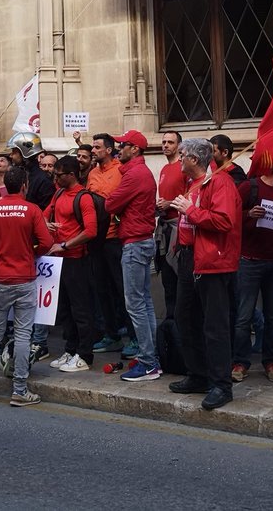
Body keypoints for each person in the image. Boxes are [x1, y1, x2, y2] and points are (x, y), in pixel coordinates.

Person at [168, 138, 241, 410]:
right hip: (190, 258)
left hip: (213, 262)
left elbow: (224, 221)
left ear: (194, 160)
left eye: (182, 155)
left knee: (215, 325)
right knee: (185, 317)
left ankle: (221, 384)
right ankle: (198, 373)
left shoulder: (220, 183)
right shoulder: (194, 183)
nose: (179, 159)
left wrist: (191, 211)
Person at [0, 166, 53, 407]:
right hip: (24, 279)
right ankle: (19, 390)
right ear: (24, 186)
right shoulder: (32, 210)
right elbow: (47, 242)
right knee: (22, 335)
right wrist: (30, 252)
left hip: (0, 279)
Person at [107, 129, 161, 380]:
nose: (119, 148)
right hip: (141, 241)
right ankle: (150, 357)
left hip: (135, 244)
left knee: (136, 305)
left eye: (123, 145)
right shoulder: (139, 172)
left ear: (135, 149)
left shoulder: (134, 174)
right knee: (145, 303)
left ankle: (149, 362)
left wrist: (117, 208)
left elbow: (110, 204)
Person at [232, 166, 273, 384]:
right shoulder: (249, 186)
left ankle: (270, 361)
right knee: (244, 315)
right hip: (250, 261)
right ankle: (240, 362)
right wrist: (248, 214)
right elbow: (230, 214)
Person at [44, 156, 98, 373]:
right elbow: (43, 214)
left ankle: (85, 355)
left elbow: (90, 231)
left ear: (71, 175)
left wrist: (64, 245)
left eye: (59, 175)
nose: (55, 178)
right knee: (65, 309)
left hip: (77, 260)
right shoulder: (58, 193)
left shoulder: (84, 198)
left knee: (81, 309)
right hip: (61, 259)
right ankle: (71, 348)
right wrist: (46, 224)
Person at [88, 132, 129, 353]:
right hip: (96, 240)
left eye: (97, 147)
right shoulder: (92, 173)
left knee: (122, 289)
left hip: (116, 238)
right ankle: (110, 335)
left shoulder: (121, 170)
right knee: (101, 289)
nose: (93, 151)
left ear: (109, 150)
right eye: (93, 147)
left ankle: (131, 337)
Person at [156, 130, 187, 312]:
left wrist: (171, 203)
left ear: (179, 146)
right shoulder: (164, 169)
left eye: (170, 142)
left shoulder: (182, 168)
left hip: (179, 228)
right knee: (167, 279)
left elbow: (189, 196)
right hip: (165, 227)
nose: (166, 145)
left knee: (178, 278)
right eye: (164, 142)